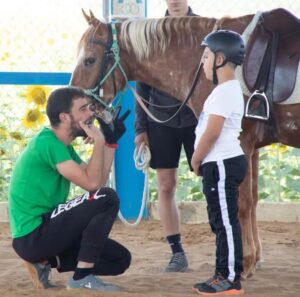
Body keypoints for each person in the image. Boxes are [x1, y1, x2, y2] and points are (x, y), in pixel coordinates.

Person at [8, 87, 131, 291]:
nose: (90, 114)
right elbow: (92, 186)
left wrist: (109, 143)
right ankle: (81, 277)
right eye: (83, 109)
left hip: (48, 231)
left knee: (119, 260)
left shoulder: (64, 147)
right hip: (33, 235)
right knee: (108, 198)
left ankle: (46, 262)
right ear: (64, 117)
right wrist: (99, 142)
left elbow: (97, 183)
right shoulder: (47, 143)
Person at [134, 0, 198, 273]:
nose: (174, 1)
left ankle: (227, 245)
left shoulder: (204, 30)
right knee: (165, 184)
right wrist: (141, 129)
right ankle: (177, 252)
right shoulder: (152, 34)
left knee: (216, 181)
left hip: (199, 118)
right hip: (160, 120)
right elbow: (142, 85)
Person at [191, 30, 248, 295]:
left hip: (223, 162)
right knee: (220, 221)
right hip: (218, 164)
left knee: (225, 222)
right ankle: (221, 274)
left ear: (220, 58)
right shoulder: (223, 91)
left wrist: (196, 157)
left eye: (205, 56)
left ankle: (231, 279)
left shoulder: (225, 91)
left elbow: (213, 132)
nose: (202, 63)